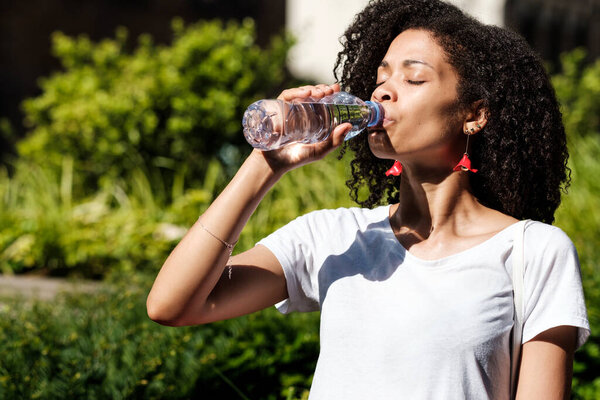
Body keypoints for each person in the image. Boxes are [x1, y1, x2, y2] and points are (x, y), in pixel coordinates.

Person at [147, 0, 590, 398]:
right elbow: (172, 305)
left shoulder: (533, 252)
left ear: (473, 114)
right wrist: (267, 164)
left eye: (414, 78)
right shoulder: (332, 236)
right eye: (380, 79)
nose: (382, 92)